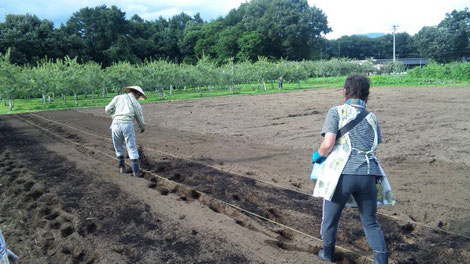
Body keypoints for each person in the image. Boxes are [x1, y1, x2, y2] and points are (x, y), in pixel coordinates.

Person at [311, 75, 395, 263]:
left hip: (343, 174)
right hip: (369, 174)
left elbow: (328, 143)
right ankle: (381, 260)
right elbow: (374, 144)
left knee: (330, 219)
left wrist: (318, 155)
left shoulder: (336, 112)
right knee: (371, 222)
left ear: (344, 92)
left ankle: (328, 254)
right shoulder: (372, 117)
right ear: (367, 95)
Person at [105, 86, 146, 177]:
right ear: (138, 93)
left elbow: (107, 109)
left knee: (118, 147)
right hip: (127, 124)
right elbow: (139, 117)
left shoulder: (117, 97)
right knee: (131, 147)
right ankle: (136, 172)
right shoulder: (135, 103)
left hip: (115, 124)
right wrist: (142, 127)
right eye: (139, 96)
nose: (139, 98)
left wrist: (114, 115)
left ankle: (121, 169)